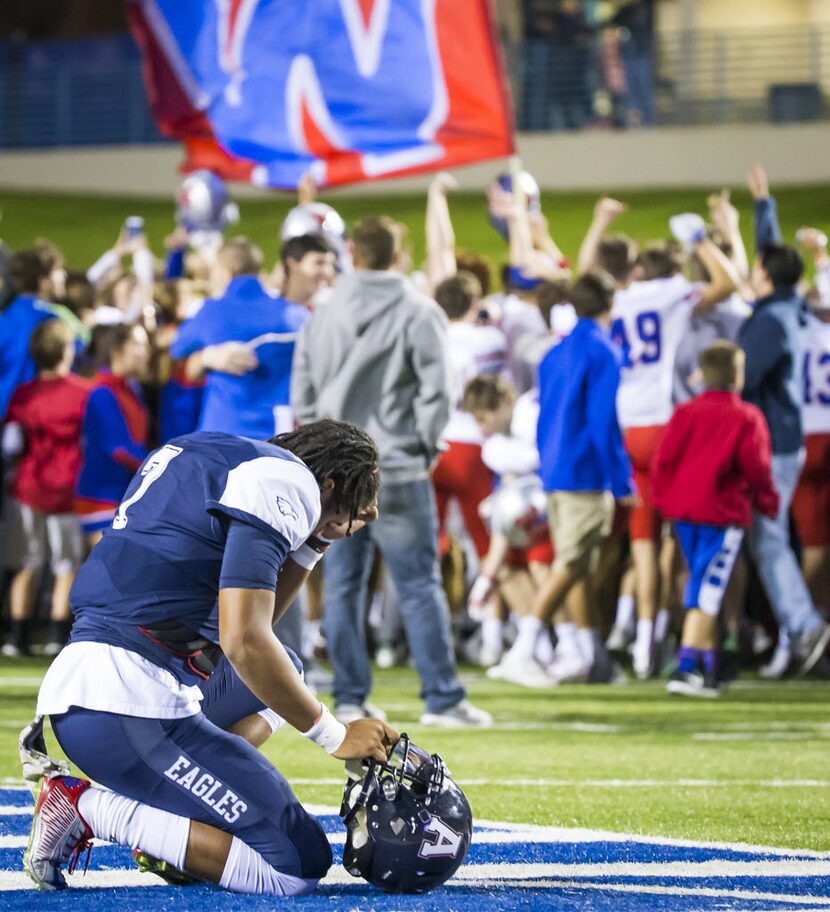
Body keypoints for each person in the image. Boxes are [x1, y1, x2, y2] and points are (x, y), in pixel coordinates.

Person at [24, 420, 398, 896]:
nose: (373, 511)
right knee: (295, 866)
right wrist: (335, 734)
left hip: (103, 687)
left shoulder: (212, 448)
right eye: (363, 495)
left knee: (286, 667)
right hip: (124, 705)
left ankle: (177, 815)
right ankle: (86, 809)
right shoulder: (288, 482)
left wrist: (315, 540)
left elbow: (249, 632)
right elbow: (242, 639)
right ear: (329, 483)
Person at [291, 216, 491, 728]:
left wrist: (322, 452)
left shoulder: (325, 310)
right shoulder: (418, 310)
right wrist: (423, 444)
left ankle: (351, 697)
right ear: (398, 254)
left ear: (352, 251)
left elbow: (304, 388)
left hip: (336, 470)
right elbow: (438, 389)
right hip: (395, 465)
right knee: (419, 584)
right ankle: (441, 699)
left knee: (341, 584)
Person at [490, 272, 635, 687]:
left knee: (581, 567)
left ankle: (593, 659)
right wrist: (621, 480)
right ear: (609, 301)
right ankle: (524, 648)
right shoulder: (602, 350)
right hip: (584, 471)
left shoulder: (556, 351)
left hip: (554, 469)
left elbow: (546, 415)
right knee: (571, 563)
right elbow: (602, 421)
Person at [652, 341, 779, 698]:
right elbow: (757, 466)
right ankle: (685, 666)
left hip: (684, 512)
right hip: (721, 514)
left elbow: (664, 461)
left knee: (700, 582)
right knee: (707, 590)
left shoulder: (685, 413)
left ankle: (710, 667)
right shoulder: (746, 416)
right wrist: (768, 501)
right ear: (737, 375)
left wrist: (664, 502)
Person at [739, 240, 830, 674]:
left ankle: (803, 626)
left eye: (758, 269)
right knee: (775, 540)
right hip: (794, 437)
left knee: (768, 540)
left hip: (774, 441)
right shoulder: (791, 309)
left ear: (768, 276)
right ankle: (795, 630)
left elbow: (746, 378)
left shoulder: (773, 318)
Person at [1, 321, 91, 657]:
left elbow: (13, 442)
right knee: (66, 564)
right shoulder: (84, 392)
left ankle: (16, 634)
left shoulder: (24, 393)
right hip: (67, 487)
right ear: (66, 350)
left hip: (28, 488)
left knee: (26, 562)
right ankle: (56, 633)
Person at [170, 237, 317, 440]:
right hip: (279, 434)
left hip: (223, 432)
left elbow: (177, 347)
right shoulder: (295, 315)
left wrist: (207, 357)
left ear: (226, 272)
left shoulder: (212, 311)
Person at [432, 271, 507, 563]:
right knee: (486, 540)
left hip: (436, 446)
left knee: (430, 543)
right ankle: (488, 605)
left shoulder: (432, 338)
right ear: (474, 303)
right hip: (473, 445)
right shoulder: (490, 338)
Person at [74, 323, 150, 548]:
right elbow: (119, 448)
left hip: (123, 494)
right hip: (100, 497)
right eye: (137, 344)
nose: (145, 350)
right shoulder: (101, 391)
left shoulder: (131, 389)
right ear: (117, 351)